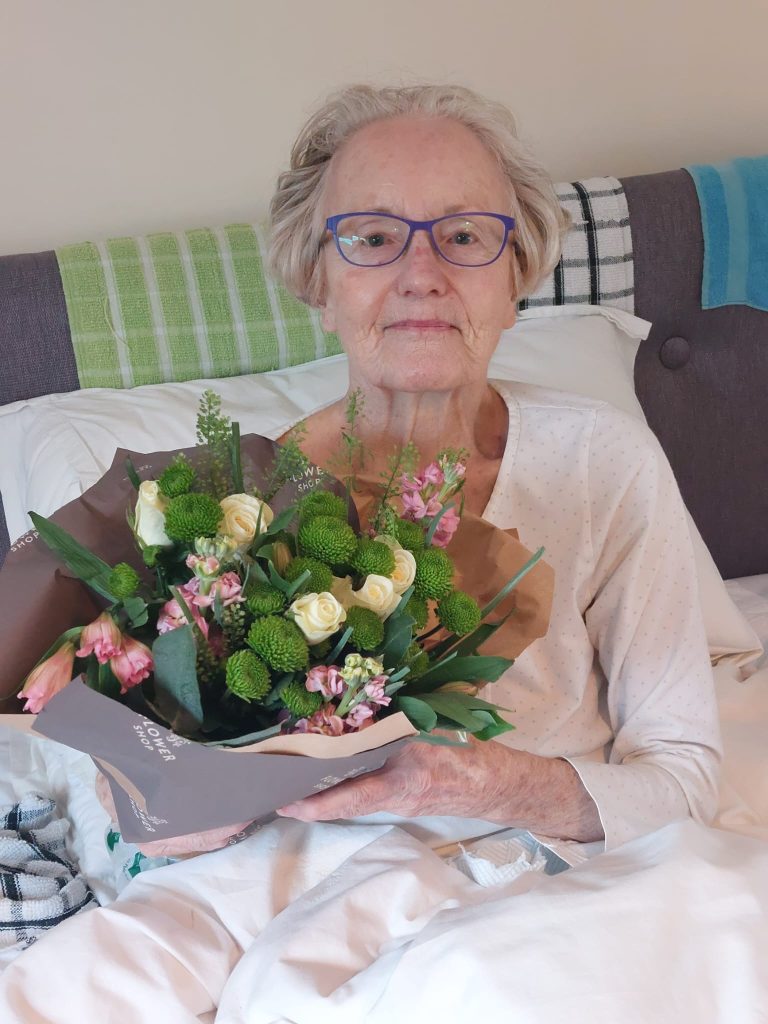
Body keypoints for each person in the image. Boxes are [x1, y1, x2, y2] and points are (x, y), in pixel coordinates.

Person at [257, 83, 721, 852]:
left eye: (465, 236)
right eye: (372, 238)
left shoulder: (601, 465)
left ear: (517, 280)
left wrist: (490, 784)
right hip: (298, 889)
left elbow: (683, 778)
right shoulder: (238, 507)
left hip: (545, 883)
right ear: (318, 284)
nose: (422, 272)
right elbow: (156, 782)